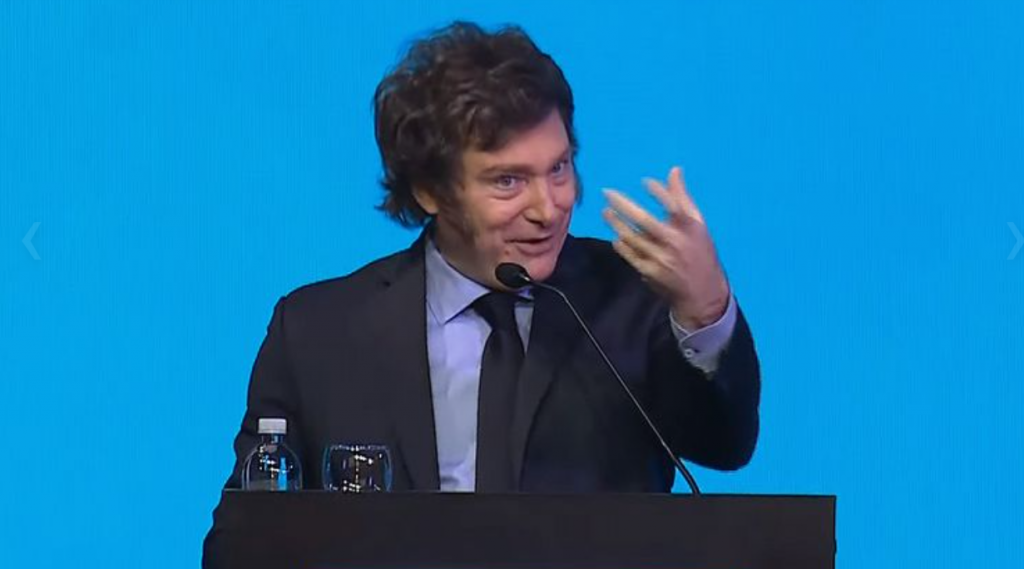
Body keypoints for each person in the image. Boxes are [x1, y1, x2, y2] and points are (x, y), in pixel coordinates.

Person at [209, 20, 759, 504]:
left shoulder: (632, 297)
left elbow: (725, 445)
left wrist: (706, 308)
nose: (548, 208)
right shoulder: (317, 333)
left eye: (559, 168)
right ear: (429, 190)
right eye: (508, 181)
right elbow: (249, 539)